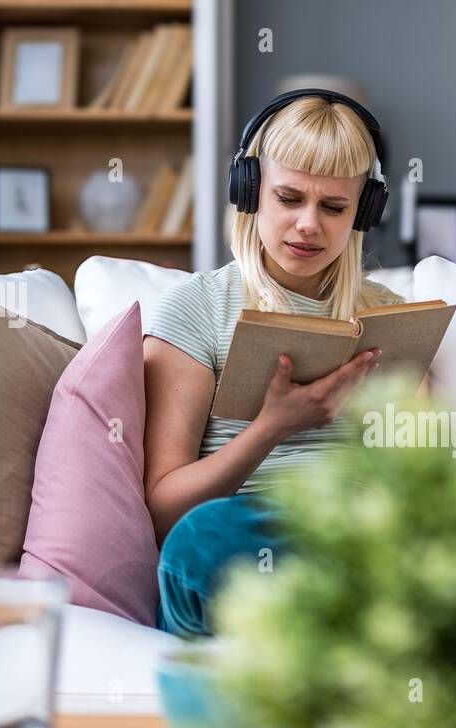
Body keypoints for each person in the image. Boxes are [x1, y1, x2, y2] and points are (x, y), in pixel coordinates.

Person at [143, 89, 404, 637]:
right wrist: (271, 428)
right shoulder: (196, 308)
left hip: (370, 534)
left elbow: (431, 476)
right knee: (202, 541)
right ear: (250, 192)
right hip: (255, 533)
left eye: (334, 207)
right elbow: (167, 511)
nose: (309, 224)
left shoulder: (390, 317)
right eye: (289, 198)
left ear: (364, 212)